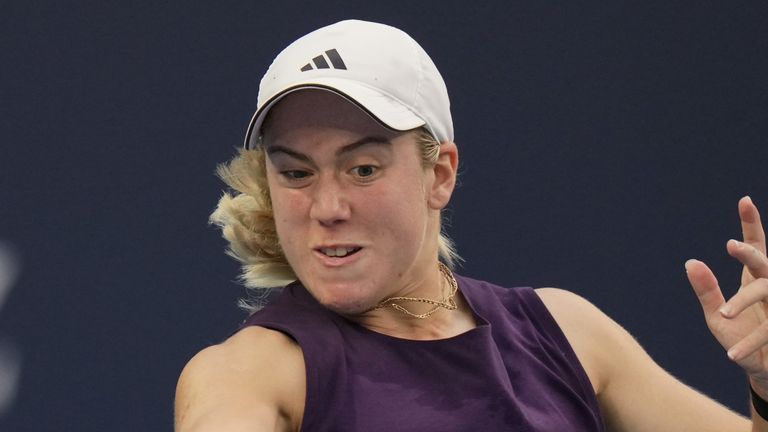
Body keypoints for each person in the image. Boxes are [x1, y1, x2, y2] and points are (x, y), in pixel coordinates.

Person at [174, 19, 768, 431]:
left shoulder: (566, 331)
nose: (327, 206)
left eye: (362, 167)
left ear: (440, 174)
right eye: (297, 173)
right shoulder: (248, 372)